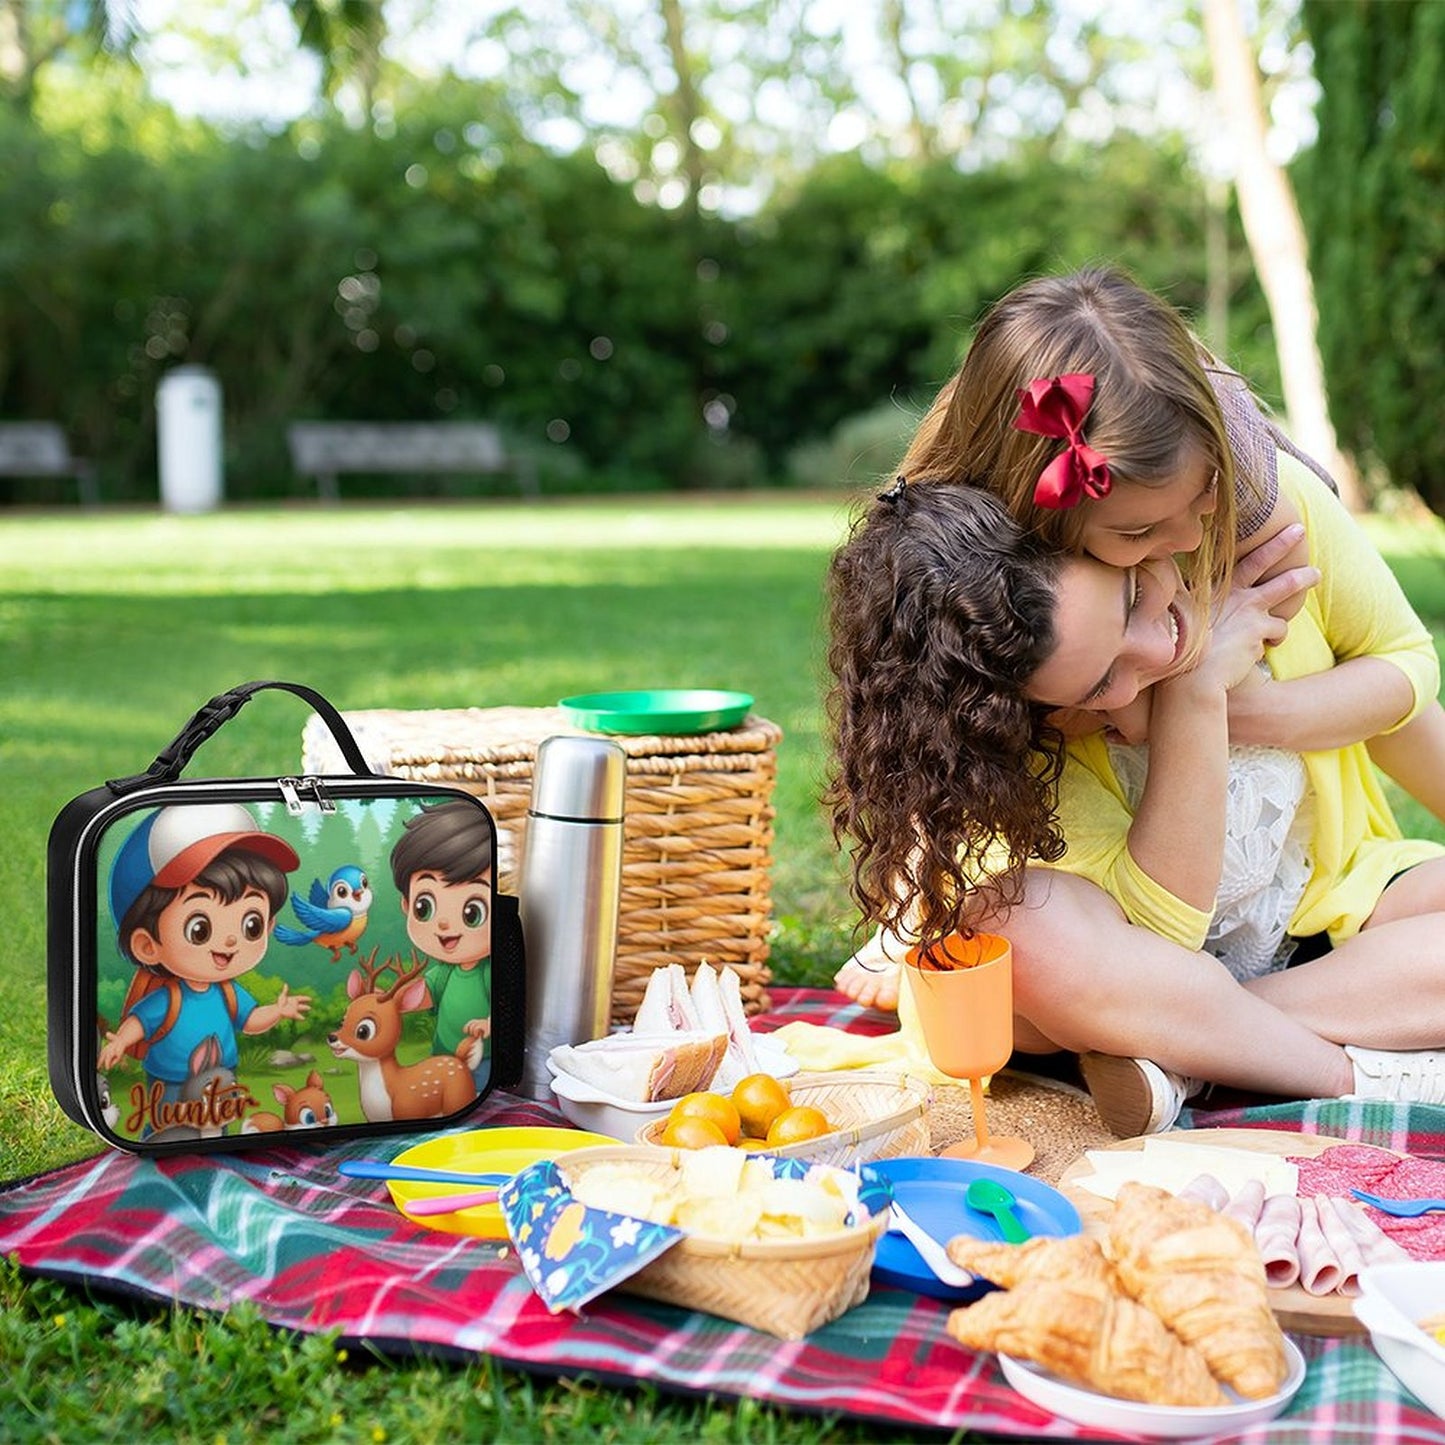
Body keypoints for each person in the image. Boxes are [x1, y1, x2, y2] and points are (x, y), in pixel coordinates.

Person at [833, 266, 1445, 1014]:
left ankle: (1223, 1032)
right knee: (1021, 964)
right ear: (1042, 520)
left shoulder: (1265, 515)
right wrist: (1183, 695)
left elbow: (1406, 667)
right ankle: (1230, 1024)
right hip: (1125, 929)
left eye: (1203, 495)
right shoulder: (1014, 625)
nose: (1187, 536)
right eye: (1136, 534)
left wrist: (1237, 706)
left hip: (1324, 893)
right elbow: (939, 758)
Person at [803, 474, 1445, 1137]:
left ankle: (1188, 1059)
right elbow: (1163, 941)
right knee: (1017, 928)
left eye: (1133, 593)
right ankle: (1346, 1072)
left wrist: (1239, 705)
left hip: (1321, 921)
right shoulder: (1031, 726)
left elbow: (1402, 683)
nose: (1156, 647)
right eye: (1102, 679)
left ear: (1111, 539)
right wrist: (1191, 696)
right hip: (1127, 973)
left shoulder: (1251, 534)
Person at [390, 800, 494, 1092]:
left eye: (471, 912)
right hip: (442, 1055)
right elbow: (424, 995)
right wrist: (391, 1003)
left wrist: (489, 1023)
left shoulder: (486, 972)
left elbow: (502, 1002)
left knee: (466, 1097)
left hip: (481, 1058)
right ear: (406, 905)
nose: (445, 925)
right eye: (425, 906)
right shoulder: (445, 972)